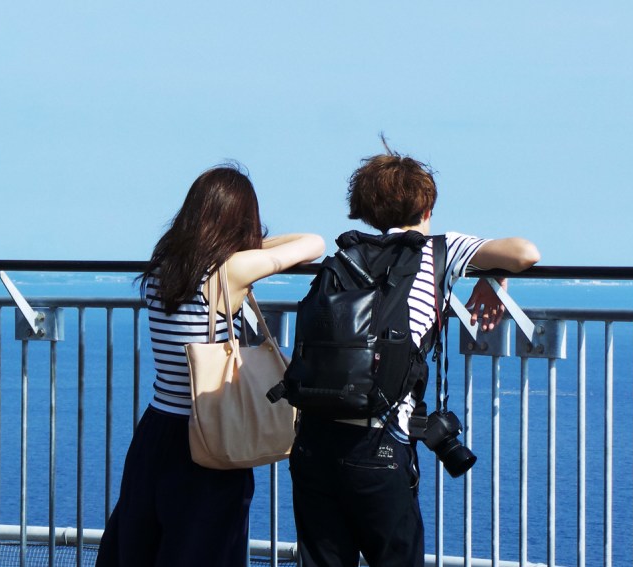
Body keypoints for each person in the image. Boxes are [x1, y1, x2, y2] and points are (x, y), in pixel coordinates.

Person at [288, 143, 540, 567]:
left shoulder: (344, 257)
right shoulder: (439, 249)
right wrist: (494, 272)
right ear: (427, 209)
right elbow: (525, 252)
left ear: (366, 211)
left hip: (313, 440)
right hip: (379, 442)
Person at [96, 164, 325, 567]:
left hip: (155, 432)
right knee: (205, 549)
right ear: (240, 222)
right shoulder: (230, 270)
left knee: (142, 544)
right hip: (209, 434)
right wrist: (254, 245)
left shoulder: (162, 267)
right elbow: (313, 244)